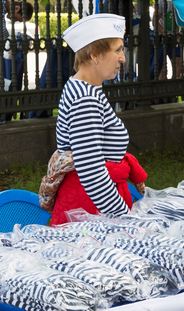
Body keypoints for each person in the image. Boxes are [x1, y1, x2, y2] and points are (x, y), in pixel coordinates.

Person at [40, 13, 147, 224]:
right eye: (117, 50)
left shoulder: (86, 89)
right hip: (90, 212)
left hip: (90, 206)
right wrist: (125, 217)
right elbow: (92, 173)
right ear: (95, 55)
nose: (123, 58)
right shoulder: (85, 99)